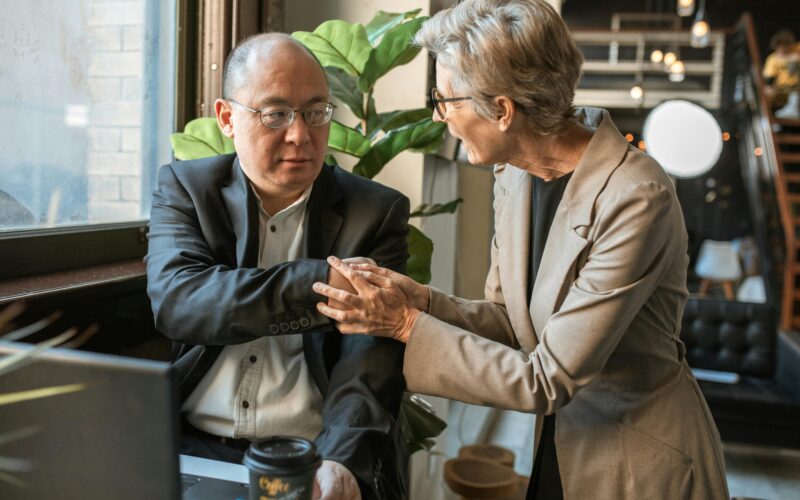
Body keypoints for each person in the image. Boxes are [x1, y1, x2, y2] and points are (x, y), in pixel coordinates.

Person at [312, 1, 729, 499]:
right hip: (560, 441)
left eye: (446, 99)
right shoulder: (515, 173)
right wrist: (422, 302)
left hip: (636, 458)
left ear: (503, 111)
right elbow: (513, 323)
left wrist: (405, 325)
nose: (440, 114)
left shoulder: (636, 198)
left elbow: (548, 378)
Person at [145, 33, 409, 500]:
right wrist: (320, 282)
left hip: (313, 450)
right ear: (227, 117)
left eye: (315, 112)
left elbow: (370, 359)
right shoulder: (187, 189)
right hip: (193, 445)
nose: (300, 135)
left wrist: (341, 459)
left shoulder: (376, 211)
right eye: (276, 114)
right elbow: (180, 303)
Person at [763, 29, 800, 119]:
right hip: (782, 88)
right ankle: (769, 119)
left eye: (785, 47)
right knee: (766, 94)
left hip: (797, 85)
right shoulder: (773, 59)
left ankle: (793, 110)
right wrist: (769, 87)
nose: (782, 50)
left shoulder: (797, 50)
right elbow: (769, 78)